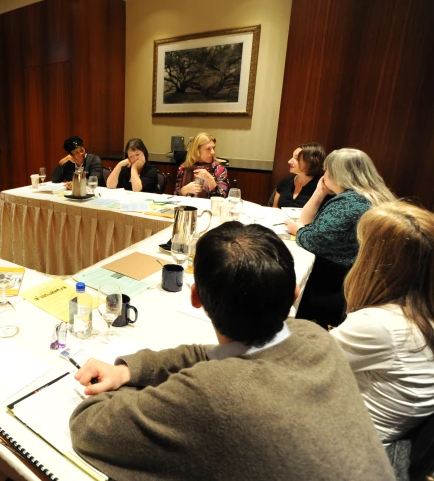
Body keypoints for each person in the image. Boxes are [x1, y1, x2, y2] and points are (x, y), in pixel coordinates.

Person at [69, 222, 393, 480]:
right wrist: (130, 370)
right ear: (295, 294)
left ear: (196, 297)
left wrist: (131, 393)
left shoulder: (214, 395)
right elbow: (210, 355)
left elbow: (90, 427)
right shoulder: (312, 334)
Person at [330, 201, 434, 446]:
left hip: (350, 445)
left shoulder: (380, 325)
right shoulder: (416, 313)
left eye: (362, 246)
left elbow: (302, 367)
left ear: (377, 261)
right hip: (378, 434)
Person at [286, 148, 395, 327]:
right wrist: (319, 193)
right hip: (367, 281)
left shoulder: (349, 204)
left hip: (339, 285)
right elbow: (308, 224)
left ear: (337, 174)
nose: (324, 174)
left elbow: (312, 241)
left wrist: (299, 230)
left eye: (327, 170)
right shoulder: (372, 196)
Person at [173, 132, 228, 198]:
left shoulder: (219, 170)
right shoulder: (184, 168)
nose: (213, 152)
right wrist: (184, 190)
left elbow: (222, 199)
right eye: (208, 149)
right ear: (197, 150)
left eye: (213, 148)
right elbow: (175, 197)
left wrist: (211, 181)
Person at [272, 142, 326, 208]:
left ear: (311, 161)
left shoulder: (322, 186)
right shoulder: (285, 182)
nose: (289, 161)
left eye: (297, 158)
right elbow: (275, 208)